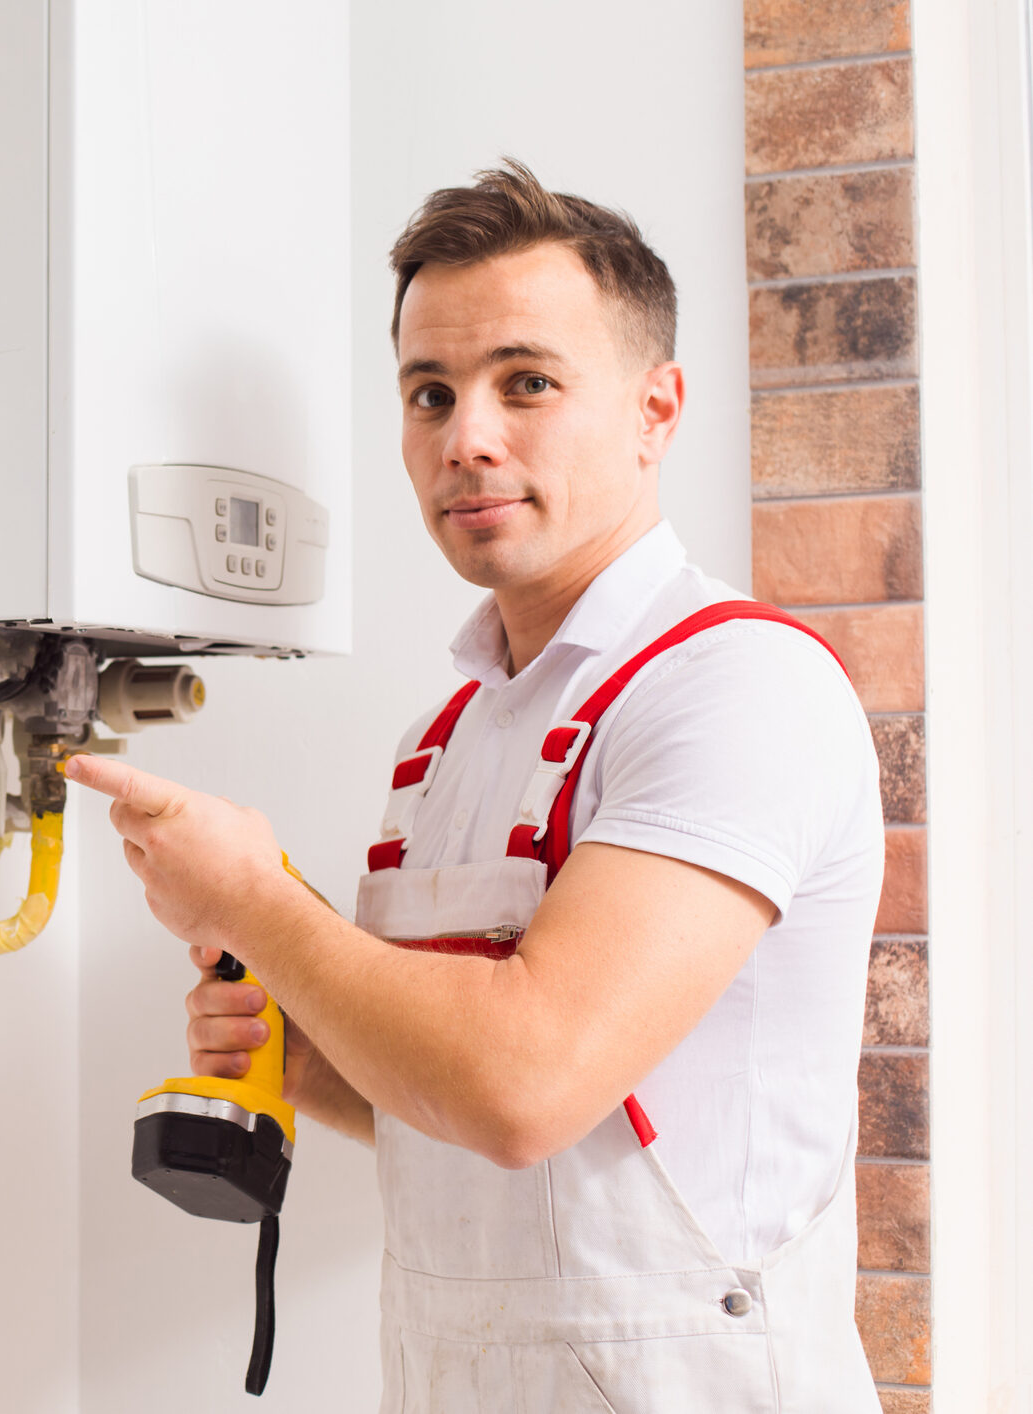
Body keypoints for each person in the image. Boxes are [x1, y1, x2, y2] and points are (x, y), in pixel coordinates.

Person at [66, 160, 885, 1412]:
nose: (468, 439)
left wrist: (256, 907)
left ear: (656, 409)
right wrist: (306, 1050)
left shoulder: (739, 688)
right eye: (430, 393)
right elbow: (449, 1102)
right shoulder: (443, 741)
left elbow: (523, 1087)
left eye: (527, 383)